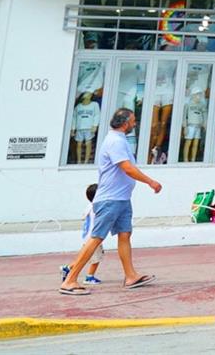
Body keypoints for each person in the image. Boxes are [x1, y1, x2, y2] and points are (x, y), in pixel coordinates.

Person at [59, 108, 160, 294]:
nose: (135, 123)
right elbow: (127, 168)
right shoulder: (115, 141)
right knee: (97, 237)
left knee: (125, 234)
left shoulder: (120, 140)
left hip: (121, 199)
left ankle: (130, 276)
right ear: (125, 123)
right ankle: (70, 279)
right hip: (110, 199)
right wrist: (150, 182)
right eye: (133, 120)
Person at [60, 184, 106, 286]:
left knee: (85, 257)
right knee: (96, 258)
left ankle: (67, 268)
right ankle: (89, 277)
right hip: (94, 237)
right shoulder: (97, 208)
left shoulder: (89, 207)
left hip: (87, 237)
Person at [71, 92, 101, 165]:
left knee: (88, 143)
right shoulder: (78, 106)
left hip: (89, 128)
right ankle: (79, 161)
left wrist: (95, 125)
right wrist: (73, 128)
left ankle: (86, 161)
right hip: (80, 128)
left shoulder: (94, 105)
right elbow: (74, 118)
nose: (88, 95)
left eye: (89, 94)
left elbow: (97, 115)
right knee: (79, 144)